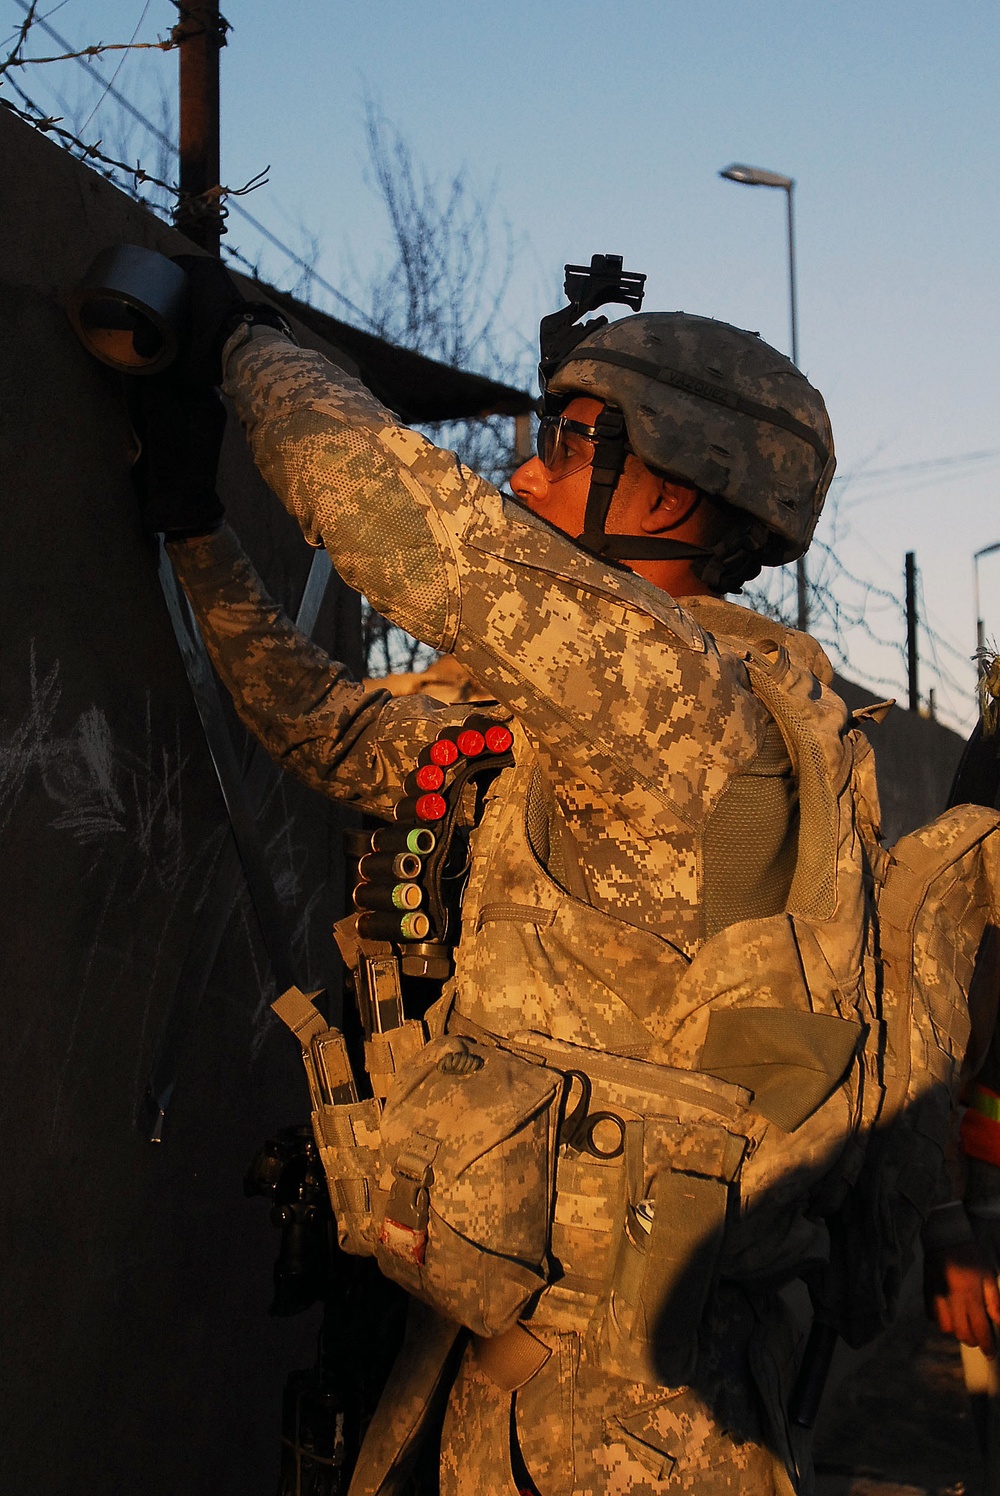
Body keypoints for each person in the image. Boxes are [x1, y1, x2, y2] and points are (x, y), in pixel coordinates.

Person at [130, 255, 989, 1496]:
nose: (524, 471)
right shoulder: (593, 719)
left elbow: (404, 525)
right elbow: (328, 729)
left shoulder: (677, 704)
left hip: (614, 1432)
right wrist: (192, 527)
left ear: (692, 482)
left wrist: (242, 339)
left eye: (572, 437)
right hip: (524, 1373)